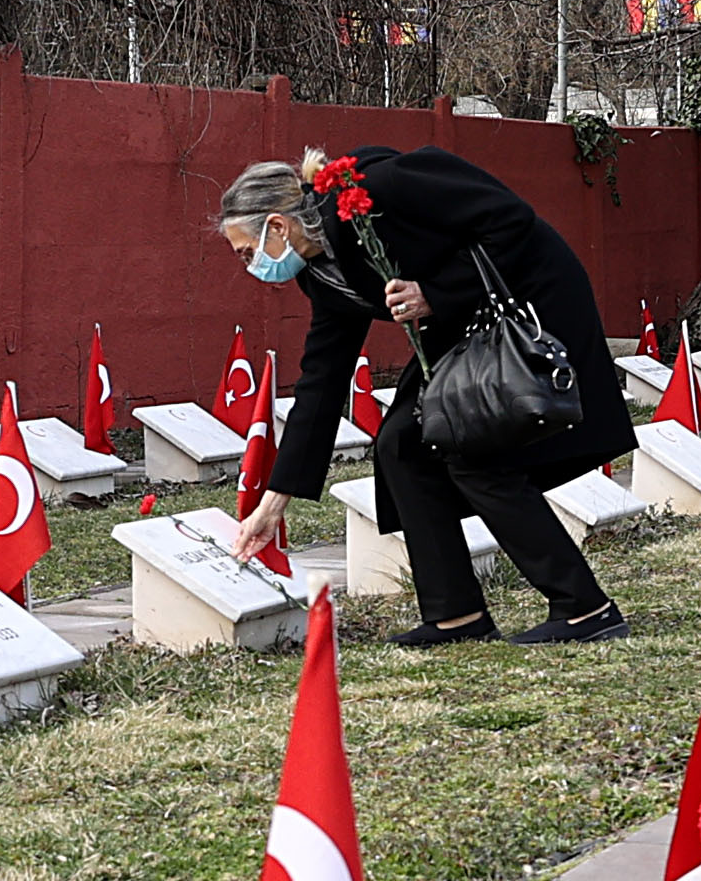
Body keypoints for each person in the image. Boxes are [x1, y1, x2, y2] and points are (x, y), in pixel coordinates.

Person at [220, 147, 638, 645]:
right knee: (399, 444)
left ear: (278, 226)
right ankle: (456, 615)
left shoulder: (383, 187)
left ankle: (586, 610)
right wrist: (273, 503)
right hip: (462, 326)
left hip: (527, 308)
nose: (250, 268)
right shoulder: (322, 274)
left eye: (247, 252)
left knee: (471, 450)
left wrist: (436, 293)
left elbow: (512, 221)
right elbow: (321, 382)